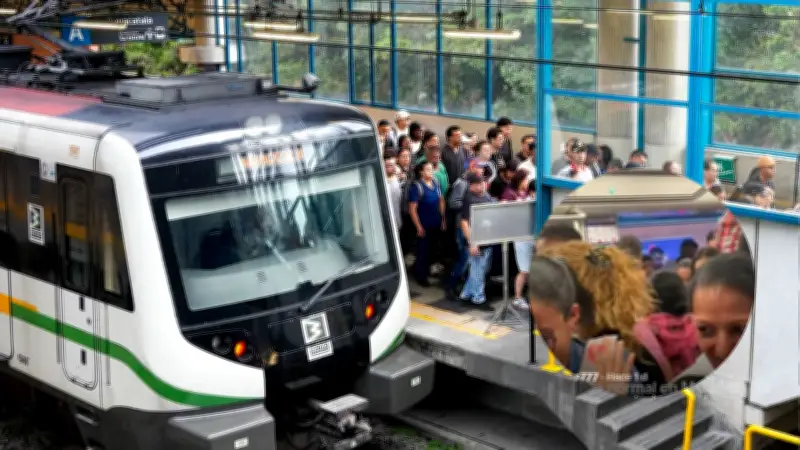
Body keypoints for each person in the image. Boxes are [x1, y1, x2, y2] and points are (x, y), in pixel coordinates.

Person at [458, 172, 495, 310]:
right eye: (478, 184)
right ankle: (478, 298)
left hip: (487, 239)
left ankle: (466, 294)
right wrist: (472, 242)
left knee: (478, 269)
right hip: (477, 242)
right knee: (478, 270)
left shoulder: (487, 196)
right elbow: (464, 222)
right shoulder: (469, 199)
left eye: (483, 183)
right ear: (471, 186)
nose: (481, 186)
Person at [407, 162, 446, 286]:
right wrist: (418, 226)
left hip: (435, 223)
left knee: (432, 250)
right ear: (421, 172)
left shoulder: (435, 183)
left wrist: (443, 218)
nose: (431, 172)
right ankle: (421, 276)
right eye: (428, 169)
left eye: (431, 169)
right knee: (423, 251)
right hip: (424, 225)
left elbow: (441, 201)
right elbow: (412, 209)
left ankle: (420, 269)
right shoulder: (417, 187)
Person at [500, 169, 534, 310]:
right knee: (524, 269)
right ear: (520, 180)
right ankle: (517, 297)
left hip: (529, 236)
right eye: (525, 179)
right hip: (519, 237)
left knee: (529, 269)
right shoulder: (510, 193)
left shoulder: (526, 194)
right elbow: (503, 212)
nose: (526, 182)